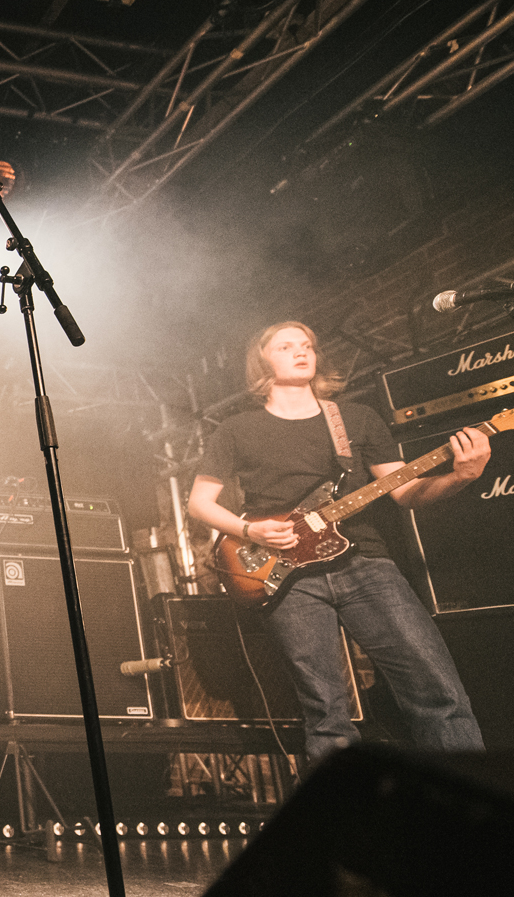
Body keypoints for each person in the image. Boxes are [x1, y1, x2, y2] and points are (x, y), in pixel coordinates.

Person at [186, 321, 489, 770]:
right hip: (287, 575)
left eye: (307, 345)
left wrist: (461, 477)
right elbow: (199, 504)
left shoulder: (356, 419)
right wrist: (251, 531)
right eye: (286, 346)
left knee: (436, 688)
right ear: (261, 362)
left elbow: (406, 491)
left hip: (365, 563)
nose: (301, 351)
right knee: (326, 712)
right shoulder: (236, 429)